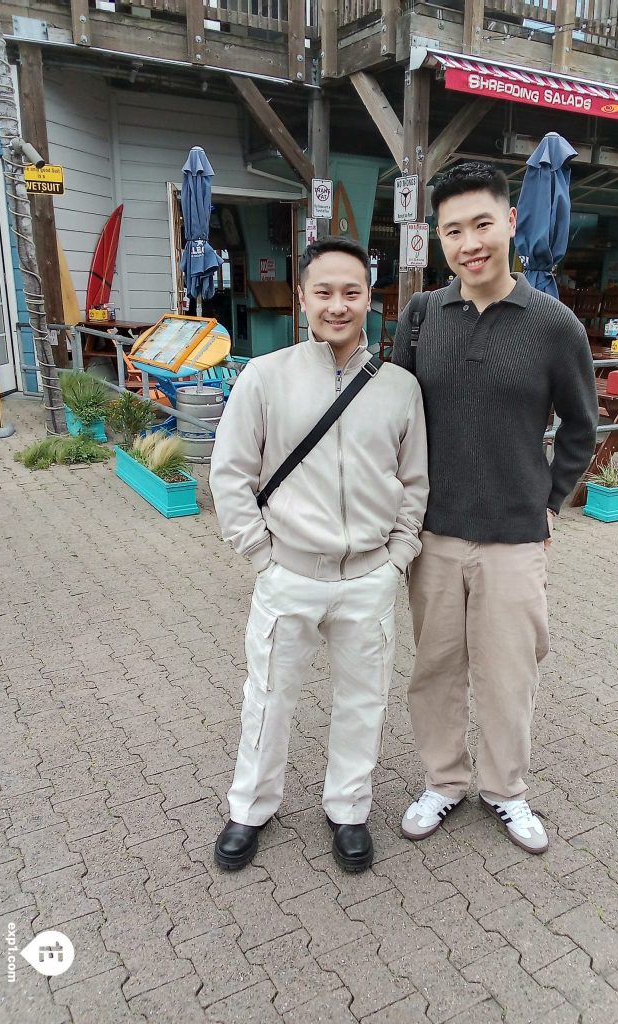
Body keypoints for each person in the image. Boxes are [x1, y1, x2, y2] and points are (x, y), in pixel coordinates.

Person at [392, 162, 597, 854]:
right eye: (453, 230)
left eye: (482, 223)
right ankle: (444, 781)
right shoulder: (421, 317)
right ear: (439, 240)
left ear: (510, 223)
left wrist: (548, 505)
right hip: (434, 536)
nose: (469, 242)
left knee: (510, 674)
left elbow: (580, 427)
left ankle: (507, 791)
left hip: (514, 539)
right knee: (435, 668)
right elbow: (396, 416)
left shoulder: (554, 326)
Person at [209, 236, 428, 873]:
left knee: (363, 702)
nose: (338, 305)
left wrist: (398, 557)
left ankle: (349, 809)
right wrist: (259, 554)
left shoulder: (399, 387)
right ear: (303, 296)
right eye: (324, 291)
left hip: (369, 577)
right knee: (269, 697)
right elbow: (231, 473)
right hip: (289, 574)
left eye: (351, 292)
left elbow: (415, 482)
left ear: (371, 300)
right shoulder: (265, 376)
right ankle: (250, 807)